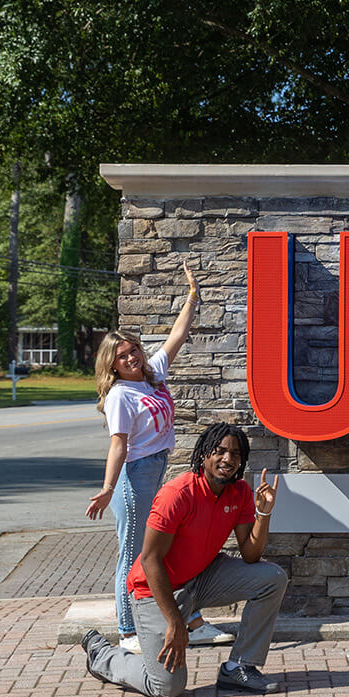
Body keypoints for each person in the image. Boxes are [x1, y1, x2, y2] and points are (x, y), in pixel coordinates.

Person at [80, 423, 289, 697]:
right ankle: (102, 655)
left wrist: (264, 514)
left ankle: (239, 667)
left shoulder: (238, 492)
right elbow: (150, 559)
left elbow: (251, 555)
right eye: (220, 451)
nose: (228, 459)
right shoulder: (177, 494)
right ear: (204, 453)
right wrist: (176, 622)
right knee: (166, 687)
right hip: (154, 591)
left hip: (200, 578)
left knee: (272, 578)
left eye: (236, 454)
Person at [87, 262, 228, 653]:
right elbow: (118, 444)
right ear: (112, 364)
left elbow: (176, 337)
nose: (131, 358)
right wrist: (107, 488)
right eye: (122, 356)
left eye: (133, 350)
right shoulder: (120, 396)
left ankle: (190, 619)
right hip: (135, 478)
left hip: (155, 469)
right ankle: (128, 633)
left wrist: (192, 296)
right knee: (134, 555)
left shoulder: (152, 376)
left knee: (168, 548)